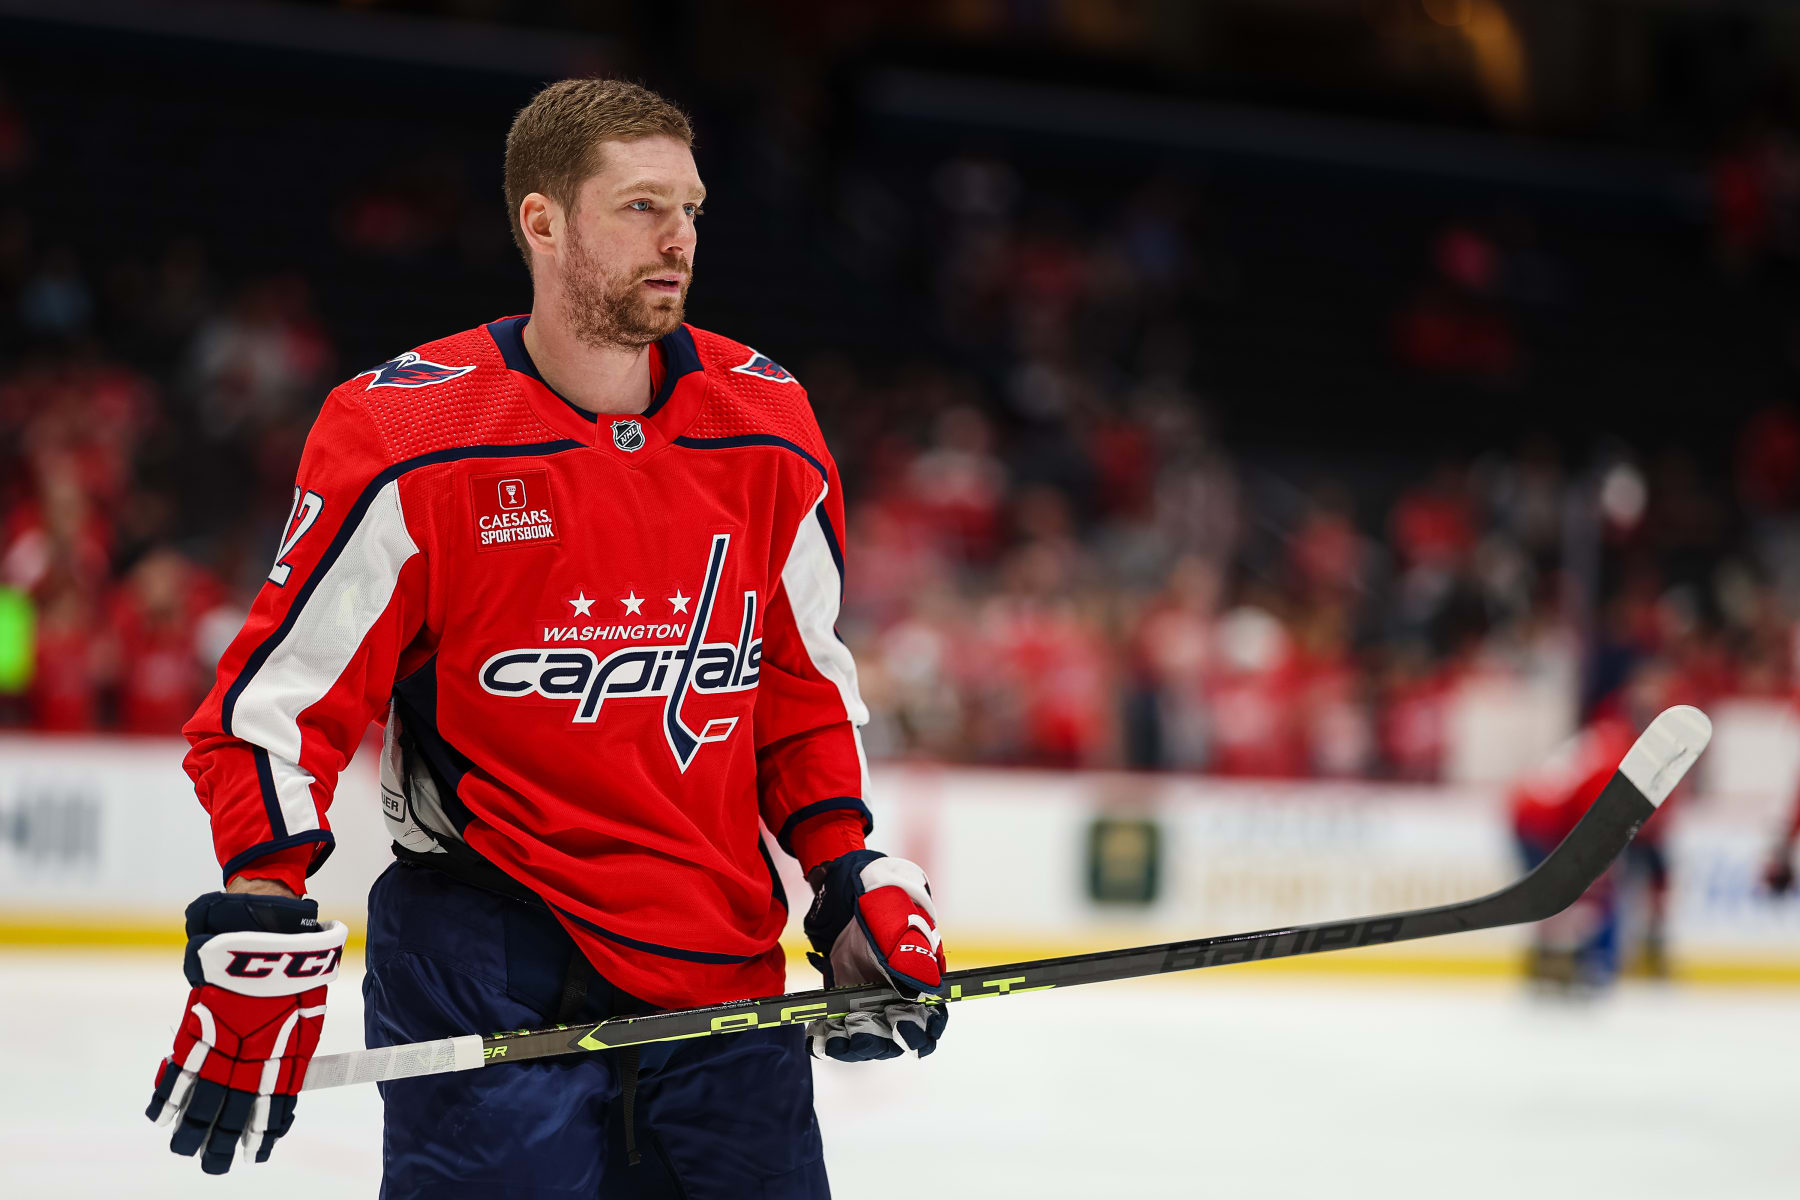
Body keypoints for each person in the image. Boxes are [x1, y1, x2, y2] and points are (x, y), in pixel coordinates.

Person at [145, 79, 948, 1197]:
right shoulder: (405, 436)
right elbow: (273, 710)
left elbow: (800, 692)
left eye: (693, 209)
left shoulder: (769, 424)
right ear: (543, 221)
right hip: (489, 958)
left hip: (723, 974)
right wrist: (263, 905)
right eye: (640, 207)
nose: (678, 240)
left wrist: (846, 872)